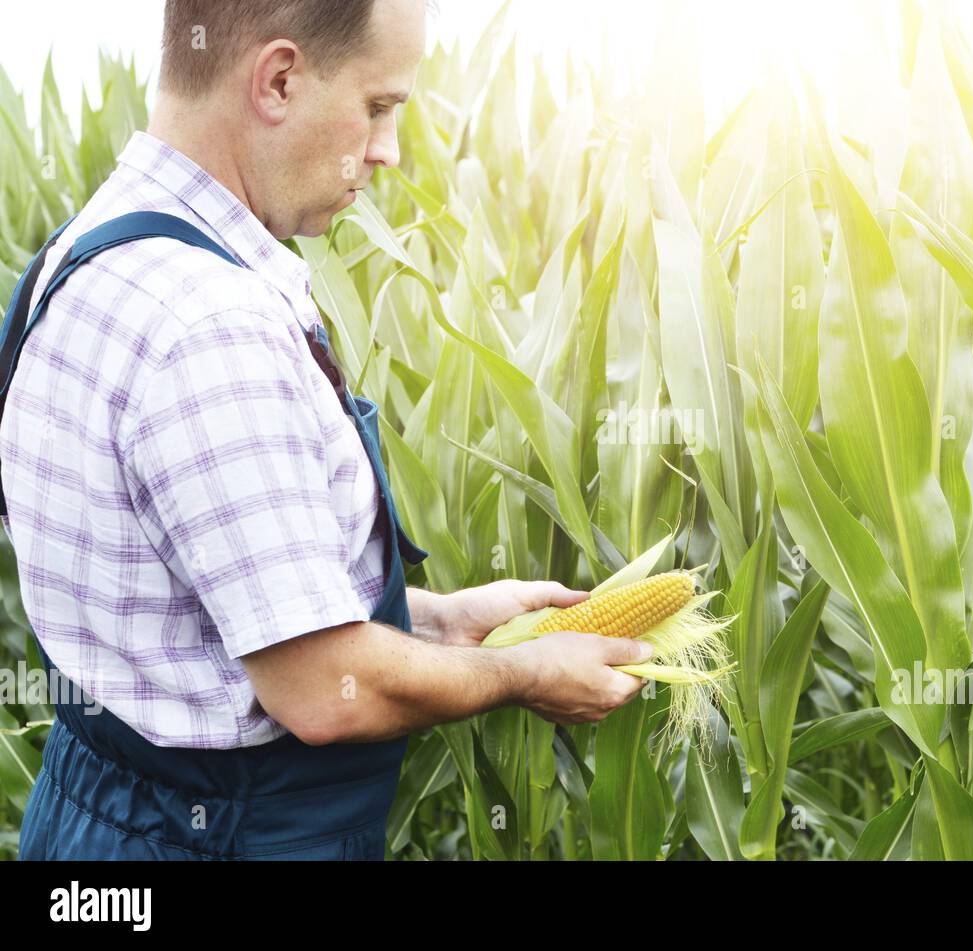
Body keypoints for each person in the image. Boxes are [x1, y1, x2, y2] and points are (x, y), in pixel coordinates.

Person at [5, 0, 649, 861]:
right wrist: (525, 673)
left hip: (94, 814)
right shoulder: (212, 327)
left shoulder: (77, 256)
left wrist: (447, 621)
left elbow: (213, 606)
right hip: (220, 839)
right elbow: (321, 691)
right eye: (379, 107)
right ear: (278, 80)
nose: (386, 150)